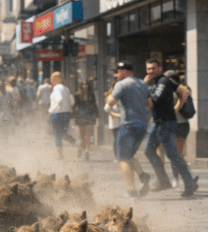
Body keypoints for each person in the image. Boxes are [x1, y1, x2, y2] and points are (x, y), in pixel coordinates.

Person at [142, 59, 198, 197]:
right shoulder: (163, 81)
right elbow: (184, 91)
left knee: (172, 154)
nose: (151, 71)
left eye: (153, 68)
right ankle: (165, 180)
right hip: (158, 123)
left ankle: (187, 183)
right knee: (149, 150)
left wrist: (177, 107)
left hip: (165, 124)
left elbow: (151, 102)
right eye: (148, 69)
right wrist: (177, 106)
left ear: (160, 68)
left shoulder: (162, 82)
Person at [106, 61, 152, 198]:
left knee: (122, 158)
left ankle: (132, 191)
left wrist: (109, 97)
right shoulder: (143, 83)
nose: (116, 74)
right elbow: (150, 103)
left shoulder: (122, 84)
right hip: (142, 125)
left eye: (118, 72)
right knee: (130, 155)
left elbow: (110, 102)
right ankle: (143, 176)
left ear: (124, 71)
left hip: (128, 125)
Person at [48, 72, 76, 159]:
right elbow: (72, 101)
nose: (51, 81)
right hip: (66, 113)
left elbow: (59, 100)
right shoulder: (66, 88)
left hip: (57, 113)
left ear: (55, 79)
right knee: (64, 133)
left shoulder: (56, 88)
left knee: (57, 134)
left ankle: (60, 154)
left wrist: (53, 110)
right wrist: (67, 108)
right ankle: (76, 142)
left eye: (52, 79)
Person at [73, 80, 98, 160]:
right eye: (83, 84)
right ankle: (81, 149)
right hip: (81, 115)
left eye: (86, 84)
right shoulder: (77, 94)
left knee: (88, 135)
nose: (85, 86)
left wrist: (97, 114)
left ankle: (86, 150)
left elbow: (94, 105)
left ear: (88, 85)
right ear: (81, 86)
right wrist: (73, 115)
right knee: (82, 136)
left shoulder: (91, 95)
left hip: (90, 115)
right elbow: (75, 105)